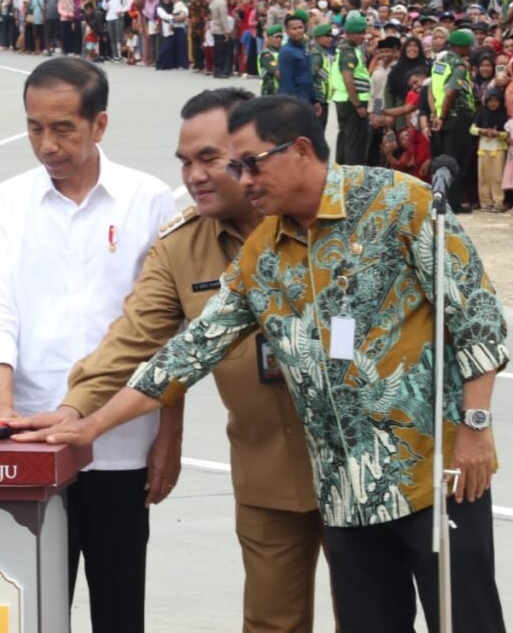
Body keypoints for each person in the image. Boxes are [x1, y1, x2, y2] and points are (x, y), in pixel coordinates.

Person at [31, 95, 507, 633]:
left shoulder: (402, 203)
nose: (243, 179)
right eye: (235, 166)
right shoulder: (264, 253)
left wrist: (475, 429)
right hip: (344, 492)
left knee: (466, 621)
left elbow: (478, 320)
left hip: (434, 470)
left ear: (300, 150)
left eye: (249, 163)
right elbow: (189, 352)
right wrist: (89, 424)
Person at [13, 87, 325, 632]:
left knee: (376, 613)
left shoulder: (335, 223)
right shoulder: (181, 247)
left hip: (357, 459)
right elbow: (134, 339)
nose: (194, 176)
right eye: (184, 162)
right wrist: (75, 409)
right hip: (267, 470)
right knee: (273, 624)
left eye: (210, 158)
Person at [0, 58, 176, 633]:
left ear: (99, 125)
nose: (46, 144)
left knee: (119, 601)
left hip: (120, 438)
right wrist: (2, 411)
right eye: (34, 127)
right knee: (31, 601)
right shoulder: (6, 204)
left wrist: (168, 437)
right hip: (34, 438)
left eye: (63, 129)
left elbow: (169, 334)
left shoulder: (148, 200)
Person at [431, 29, 478, 211]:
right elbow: (451, 92)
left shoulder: (440, 63)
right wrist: (442, 116)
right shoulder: (459, 66)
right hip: (455, 117)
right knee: (456, 161)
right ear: (459, 47)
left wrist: (437, 113)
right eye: (467, 46)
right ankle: (453, 203)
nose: (469, 49)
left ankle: (442, 197)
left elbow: (432, 90)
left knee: (444, 158)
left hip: (441, 115)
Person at [329, 14, 371, 164]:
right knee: (355, 142)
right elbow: (348, 79)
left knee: (345, 137)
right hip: (352, 101)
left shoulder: (346, 49)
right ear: (348, 34)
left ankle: (341, 172)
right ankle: (352, 177)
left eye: (363, 32)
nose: (362, 36)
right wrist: (357, 104)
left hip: (344, 100)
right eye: (358, 33)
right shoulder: (349, 52)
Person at [470, 87, 509, 212]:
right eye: (490, 100)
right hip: (483, 149)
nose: (493, 103)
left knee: (497, 177)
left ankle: (498, 202)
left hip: (498, 149)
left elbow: (507, 134)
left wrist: (497, 134)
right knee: (483, 176)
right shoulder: (481, 112)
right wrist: (482, 131)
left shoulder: (503, 114)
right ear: (486, 100)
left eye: (496, 100)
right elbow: (472, 129)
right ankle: (485, 202)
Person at [278, 14, 319, 118]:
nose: (298, 31)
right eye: (294, 28)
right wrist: (291, 106)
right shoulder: (286, 51)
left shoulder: (304, 49)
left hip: (307, 100)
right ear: (287, 31)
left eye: (300, 27)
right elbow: (286, 81)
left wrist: (314, 101)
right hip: (296, 102)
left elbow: (309, 77)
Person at [309, 23, 333, 130]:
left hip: (323, 98)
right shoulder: (317, 55)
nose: (330, 39)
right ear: (318, 38)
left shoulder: (323, 53)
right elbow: (311, 77)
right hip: (319, 99)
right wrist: (315, 99)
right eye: (327, 36)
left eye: (331, 36)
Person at [258, 24, 282, 96]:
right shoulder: (266, 55)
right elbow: (278, 74)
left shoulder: (281, 51)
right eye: (276, 37)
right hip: (271, 92)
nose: (279, 39)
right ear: (268, 38)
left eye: (280, 37)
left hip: (280, 91)